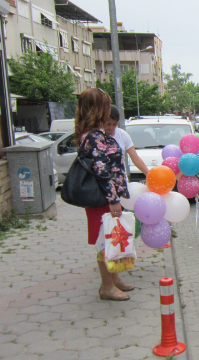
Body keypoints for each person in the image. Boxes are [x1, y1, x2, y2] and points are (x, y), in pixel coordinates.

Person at [76, 88, 132, 301]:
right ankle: (106, 287)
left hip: (104, 197)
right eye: (105, 105)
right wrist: (114, 199)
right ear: (97, 108)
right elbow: (101, 170)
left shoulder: (93, 133)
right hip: (102, 199)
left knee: (110, 239)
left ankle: (114, 279)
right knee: (104, 240)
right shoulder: (93, 136)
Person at [104, 105, 149, 179]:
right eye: (108, 124)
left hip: (120, 179)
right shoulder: (98, 136)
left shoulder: (123, 135)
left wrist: (148, 174)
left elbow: (135, 158)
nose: (111, 127)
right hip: (103, 180)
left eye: (114, 124)